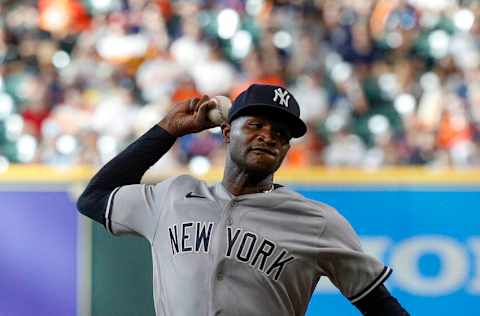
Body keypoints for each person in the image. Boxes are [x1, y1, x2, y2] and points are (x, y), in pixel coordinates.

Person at [77, 84, 409, 316]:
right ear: (226, 133)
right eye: (255, 125)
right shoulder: (172, 196)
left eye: (281, 133)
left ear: (286, 150)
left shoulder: (317, 222)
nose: (268, 136)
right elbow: (93, 198)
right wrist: (167, 130)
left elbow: (378, 304)